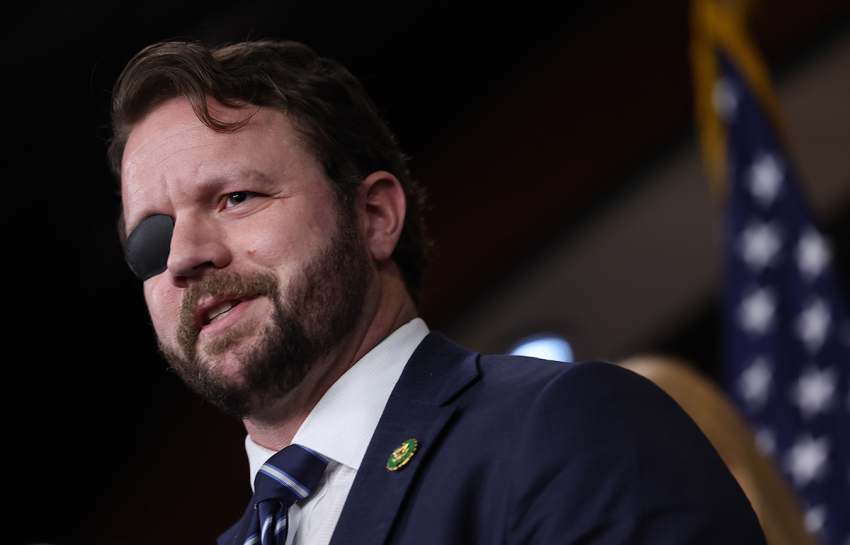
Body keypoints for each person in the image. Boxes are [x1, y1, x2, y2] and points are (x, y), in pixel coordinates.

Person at [109, 39, 767, 545]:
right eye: (152, 239)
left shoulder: (569, 429)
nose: (185, 256)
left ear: (374, 217)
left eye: (236, 197)